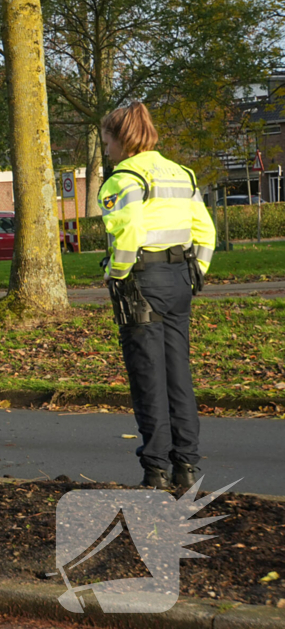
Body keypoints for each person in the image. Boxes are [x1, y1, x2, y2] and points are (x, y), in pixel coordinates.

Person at [98, 102, 216, 490]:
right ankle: (187, 464)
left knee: (148, 375)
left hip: (142, 281)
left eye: (107, 140)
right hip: (181, 278)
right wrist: (195, 271)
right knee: (177, 372)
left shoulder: (123, 178)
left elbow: (128, 232)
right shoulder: (181, 173)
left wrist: (117, 274)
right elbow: (205, 231)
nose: (107, 149)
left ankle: (156, 470)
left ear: (121, 138)